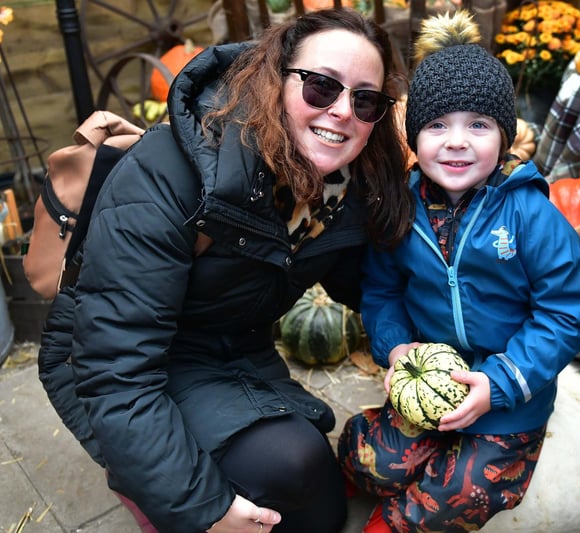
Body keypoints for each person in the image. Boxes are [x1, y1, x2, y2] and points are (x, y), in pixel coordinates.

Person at [36, 8, 411, 533]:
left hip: (230, 339)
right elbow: (116, 370)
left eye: (365, 99)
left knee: (319, 515)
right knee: (287, 465)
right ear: (275, 81)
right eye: (322, 87)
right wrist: (203, 507)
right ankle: (144, 485)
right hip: (119, 362)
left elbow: (367, 285)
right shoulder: (168, 175)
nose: (344, 111)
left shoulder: (341, 189)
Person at [337, 11, 580, 533]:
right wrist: (395, 347)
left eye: (477, 125)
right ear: (415, 136)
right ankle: (369, 472)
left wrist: (500, 383)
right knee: (375, 461)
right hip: (430, 379)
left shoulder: (531, 215)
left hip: (508, 395)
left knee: (465, 490)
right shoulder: (401, 209)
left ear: (504, 137)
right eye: (437, 125)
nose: (457, 141)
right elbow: (383, 290)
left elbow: (566, 313)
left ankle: (396, 523)